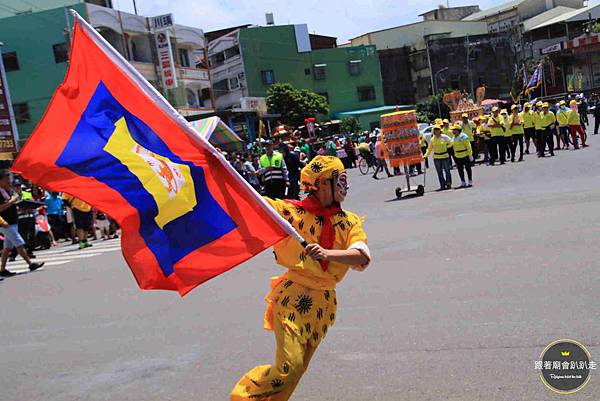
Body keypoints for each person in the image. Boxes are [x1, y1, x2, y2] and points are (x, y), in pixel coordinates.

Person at [231, 156, 370, 401]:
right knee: (288, 368)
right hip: (294, 299)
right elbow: (253, 203)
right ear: (322, 184)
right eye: (339, 179)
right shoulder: (292, 213)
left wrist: (327, 253)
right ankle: (243, 398)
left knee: (296, 373)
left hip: (323, 307)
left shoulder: (349, 221)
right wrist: (224, 172)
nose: (344, 185)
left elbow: (362, 257)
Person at [0, 170, 44, 277]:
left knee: (7, 247)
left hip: (14, 220)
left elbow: (15, 201)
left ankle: (2, 269)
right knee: (19, 243)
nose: (9, 181)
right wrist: (11, 201)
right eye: (6, 178)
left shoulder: (9, 191)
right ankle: (30, 264)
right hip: (5, 223)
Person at [424, 126, 452, 190]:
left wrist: (447, 146)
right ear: (433, 131)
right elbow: (429, 149)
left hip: (445, 156)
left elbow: (451, 142)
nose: (437, 131)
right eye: (435, 130)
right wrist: (426, 155)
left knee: (447, 171)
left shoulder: (444, 137)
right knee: (439, 172)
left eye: (438, 130)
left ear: (440, 130)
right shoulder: (432, 139)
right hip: (437, 157)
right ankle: (442, 184)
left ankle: (448, 183)